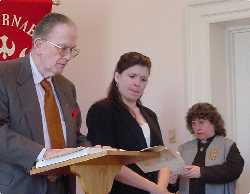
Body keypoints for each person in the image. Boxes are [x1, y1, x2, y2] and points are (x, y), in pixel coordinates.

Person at [0, 13, 90, 194]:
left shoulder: (67, 87)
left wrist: (92, 151)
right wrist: (43, 154)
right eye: (62, 48)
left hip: (63, 187)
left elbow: (73, 135)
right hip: (20, 187)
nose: (68, 56)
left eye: (72, 50)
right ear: (39, 45)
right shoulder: (4, 75)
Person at [86, 52, 169, 194]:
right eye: (132, 76)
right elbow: (107, 162)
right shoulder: (101, 110)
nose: (137, 83)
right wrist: (153, 189)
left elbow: (162, 157)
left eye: (143, 79)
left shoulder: (150, 115)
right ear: (117, 77)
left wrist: (161, 189)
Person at [167, 102, 244, 194]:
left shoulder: (227, 145)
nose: (197, 127)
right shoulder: (183, 149)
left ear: (213, 123)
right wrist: (172, 182)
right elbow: (173, 188)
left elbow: (234, 170)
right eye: (194, 123)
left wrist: (201, 172)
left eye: (201, 122)